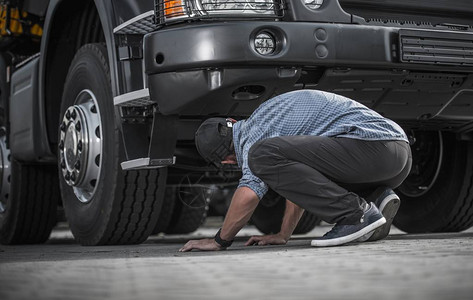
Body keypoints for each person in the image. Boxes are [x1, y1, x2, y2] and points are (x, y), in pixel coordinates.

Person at [179, 90, 412, 252]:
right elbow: (301, 181)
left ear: (227, 162)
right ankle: (376, 198)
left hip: (371, 150)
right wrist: (284, 234)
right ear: (231, 121)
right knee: (278, 157)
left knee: (261, 155)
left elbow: (248, 194)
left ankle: (356, 214)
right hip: (397, 155)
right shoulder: (264, 115)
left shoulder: (252, 141)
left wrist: (220, 240)